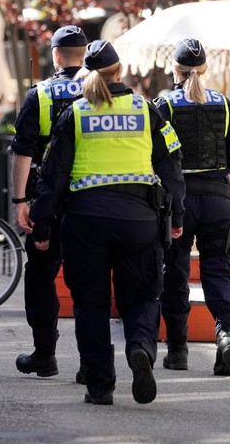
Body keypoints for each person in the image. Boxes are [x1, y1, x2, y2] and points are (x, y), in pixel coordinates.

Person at [29, 40, 185, 405]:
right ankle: (141, 347)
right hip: (139, 220)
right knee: (143, 294)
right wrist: (177, 216)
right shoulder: (148, 112)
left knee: (91, 304)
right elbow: (172, 167)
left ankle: (100, 386)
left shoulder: (75, 114)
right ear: (120, 71)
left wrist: (42, 224)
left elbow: (52, 176)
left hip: (86, 221)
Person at [155, 38, 230, 376]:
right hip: (219, 200)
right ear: (205, 69)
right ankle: (226, 334)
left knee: (174, 273)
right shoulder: (224, 105)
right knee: (217, 271)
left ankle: (177, 350)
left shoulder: (163, 104)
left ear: (174, 70)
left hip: (177, 203)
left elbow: (155, 156)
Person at [11, 25, 87, 381]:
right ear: (84, 53)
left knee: (41, 277)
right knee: (90, 279)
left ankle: (45, 354)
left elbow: (23, 153)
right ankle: (92, 361)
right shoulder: (101, 91)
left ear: (55, 55)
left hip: (47, 200)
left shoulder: (40, 94)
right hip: (91, 197)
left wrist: (20, 199)